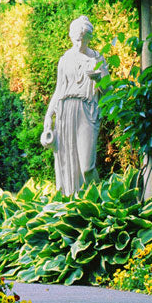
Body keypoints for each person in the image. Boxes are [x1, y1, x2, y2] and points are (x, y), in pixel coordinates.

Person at [41, 15, 108, 195]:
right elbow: (59, 90)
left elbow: (109, 92)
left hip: (88, 111)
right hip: (66, 111)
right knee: (67, 161)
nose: (79, 44)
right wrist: (49, 116)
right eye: (77, 40)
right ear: (71, 38)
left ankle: (99, 202)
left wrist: (99, 79)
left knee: (87, 166)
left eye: (84, 41)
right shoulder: (65, 60)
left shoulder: (97, 59)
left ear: (89, 39)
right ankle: (72, 203)